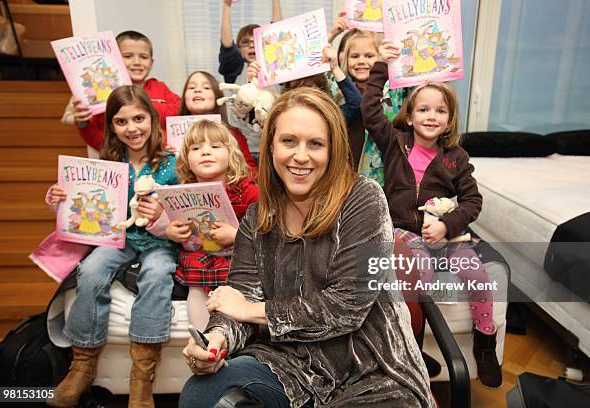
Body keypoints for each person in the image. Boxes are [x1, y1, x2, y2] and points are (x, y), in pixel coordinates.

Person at [179, 88, 434, 408]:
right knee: (199, 393)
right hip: (286, 362)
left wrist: (248, 310)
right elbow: (239, 298)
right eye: (288, 141)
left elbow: (347, 308)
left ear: (333, 150)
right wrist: (216, 341)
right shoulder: (256, 218)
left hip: (371, 372)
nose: (300, 156)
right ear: (270, 146)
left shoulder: (363, 198)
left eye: (315, 143)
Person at [361, 39, 502, 388]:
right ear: (410, 115)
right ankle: (412, 345)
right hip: (405, 231)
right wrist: (382, 65)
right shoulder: (395, 142)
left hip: (448, 232)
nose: (431, 116)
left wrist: (446, 225)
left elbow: (472, 202)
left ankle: (486, 341)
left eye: (440, 111)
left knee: (477, 274)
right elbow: (369, 109)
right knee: (415, 273)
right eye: (423, 110)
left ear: (449, 119)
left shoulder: (457, 157)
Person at [46, 85, 179, 407]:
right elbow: (87, 210)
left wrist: (162, 215)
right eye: (121, 122)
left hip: (159, 242)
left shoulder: (174, 163)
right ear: (111, 127)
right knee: (90, 269)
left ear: (153, 119)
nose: (132, 128)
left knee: (158, 274)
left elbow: (183, 217)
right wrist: (59, 200)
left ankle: (142, 378)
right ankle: (82, 366)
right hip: (117, 239)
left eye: (139, 119)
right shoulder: (107, 164)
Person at [147, 120, 259, 331]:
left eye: (215, 147)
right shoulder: (182, 191)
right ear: (187, 160)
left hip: (238, 256)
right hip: (201, 254)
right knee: (196, 286)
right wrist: (171, 232)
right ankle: (204, 340)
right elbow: (170, 225)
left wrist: (237, 235)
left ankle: (232, 334)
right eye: (196, 148)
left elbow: (266, 230)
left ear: (231, 154)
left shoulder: (247, 190)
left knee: (238, 287)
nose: (205, 152)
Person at [71, 31, 181, 156]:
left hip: (162, 160)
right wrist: (83, 124)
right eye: (128, 56)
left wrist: (143, 106)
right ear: (114, 60)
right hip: (126, 163)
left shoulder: (159, 87)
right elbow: (100, 140)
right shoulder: (105, 95)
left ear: (151, 62)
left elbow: (180, 109)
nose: (137, 62)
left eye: (144, 57)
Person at [339, 29, 409, 186]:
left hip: (381, 173)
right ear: (345, 59)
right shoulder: (339, 90)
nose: (361, 61)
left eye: (369, 56)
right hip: (345, 170)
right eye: (355, 56)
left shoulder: (393, 91)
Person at [179, 70, 257, 172]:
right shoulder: (168, 136)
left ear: (217, 96)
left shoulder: (233, 135)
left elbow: (251, 171)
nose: (197, 90)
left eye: (206, 87)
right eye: (191, 87)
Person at [219, 0, 282, 85]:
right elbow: (227, 47)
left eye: (256, 41)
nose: (252, 45)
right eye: (245, 42)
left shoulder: (276, 67)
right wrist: (227, 6)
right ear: (239, 51)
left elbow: (277, 32)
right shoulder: (237, 70)